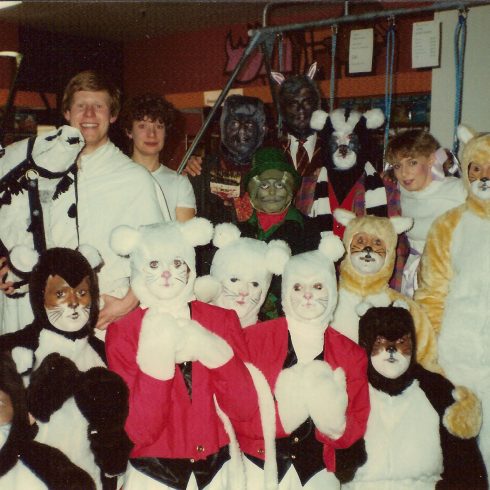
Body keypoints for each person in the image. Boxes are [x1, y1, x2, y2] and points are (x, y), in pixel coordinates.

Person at [0, 70, 166, 333]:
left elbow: (162, 249)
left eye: (98, 106)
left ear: (112, 115)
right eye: (81, 106)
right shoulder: (40, 170)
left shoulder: (135, 179)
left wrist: (127, 303)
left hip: (104, 317)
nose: (89, 114)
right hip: (44, 313)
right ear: (67, 113)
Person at [106, 218, 260, 490]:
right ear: (138, 269)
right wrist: (158, 352)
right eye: (154, 264)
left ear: (190, 266)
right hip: (153, 476)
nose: (166, 273)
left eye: (176, 263)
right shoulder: (123, 332)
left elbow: (245, 408)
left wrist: (211, 349)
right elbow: (140, 431)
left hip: (218, 473)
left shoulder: (221, 321)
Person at [415, 125, 490, 474]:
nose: (483, 176)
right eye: (476, 168)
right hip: (458, 358)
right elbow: (431, 292)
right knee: (463, 456)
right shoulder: (448, 225)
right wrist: (432, 355)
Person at [384, 129, 466, 297]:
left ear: (431, 160)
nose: (404, 173)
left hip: (451, 277)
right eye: (398, 166)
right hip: (411, 276)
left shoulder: (458, 190)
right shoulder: (397, 192)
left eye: (412, 163)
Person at [119, 93, 196, 222]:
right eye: (143, 126)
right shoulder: (115, 176)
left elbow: (185, 232)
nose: (152, 134)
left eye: (159, 126)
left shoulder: (179, 183)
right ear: (129, 131)